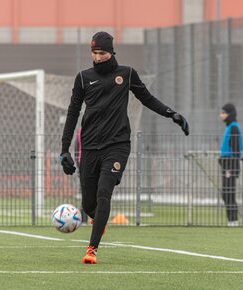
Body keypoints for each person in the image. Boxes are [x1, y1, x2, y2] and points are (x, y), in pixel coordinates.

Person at [60, 31, 189, 264]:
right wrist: (64, 149)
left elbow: (147, 98)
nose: (97, 57)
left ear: (111, 53)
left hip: (117, 145)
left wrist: (172, 114)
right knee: (89, 203)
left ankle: (92, 249)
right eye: (94, 53)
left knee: (103, 193)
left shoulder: (127, 74)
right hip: (88, 147)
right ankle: (99, 219)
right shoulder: (82, 78)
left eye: (102, 53)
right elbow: (72, 113)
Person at [219, 103, 243, 227]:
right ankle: (232, 220)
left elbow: (236, 149)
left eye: (223, 113)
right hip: (226, 164)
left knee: (229, 192)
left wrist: (232, 167)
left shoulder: (233, 127)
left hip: (230, 165)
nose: (221, 115)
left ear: (229, 114)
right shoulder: (230, 127)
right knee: (226, 193)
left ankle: (233, 220)